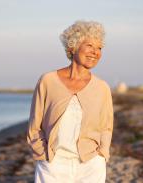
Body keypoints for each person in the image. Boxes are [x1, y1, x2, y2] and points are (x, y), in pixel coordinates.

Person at [27, 20, 114, 183]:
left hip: (90, 164)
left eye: (99, 48)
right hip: (53, 164)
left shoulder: (102, 87)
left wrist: (102, 155)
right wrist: (43, 154)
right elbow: (35, 124)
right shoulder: (48, 81)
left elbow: (106, 127)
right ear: (72, 47)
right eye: (90, 45)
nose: (95, 52)